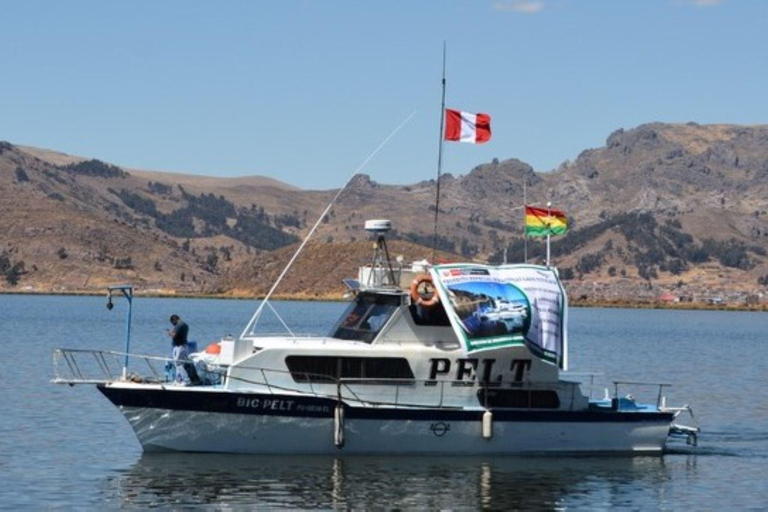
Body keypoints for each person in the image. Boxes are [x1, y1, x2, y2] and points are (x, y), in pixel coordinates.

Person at [168, 314, 198, 385]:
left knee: (178, 363)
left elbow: (173, 335)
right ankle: (178, 379)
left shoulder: (179, 325)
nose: (173, 324)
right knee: (181, 362)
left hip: (179, 346)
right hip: (182, 345)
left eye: (173, 322)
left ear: (174, 320)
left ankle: (186, 379)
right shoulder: (185, 325)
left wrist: (169, 332)